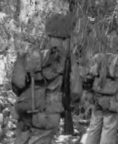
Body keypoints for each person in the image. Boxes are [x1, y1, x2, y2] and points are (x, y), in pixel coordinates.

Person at [11, 13, 80, 144]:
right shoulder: (68, 58)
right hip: (48, 114)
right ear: (66, 37)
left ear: (47, 33)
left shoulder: (32, 52)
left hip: (25, 109)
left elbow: (17, 84)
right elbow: (76, 91)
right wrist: (67, 104)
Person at [82, 25, 118, 144]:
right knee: (109, 128)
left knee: (94, 126)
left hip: (97, 95)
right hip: (113, 99)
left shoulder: (100, 53)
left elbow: (89, 76)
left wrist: (89, 91)